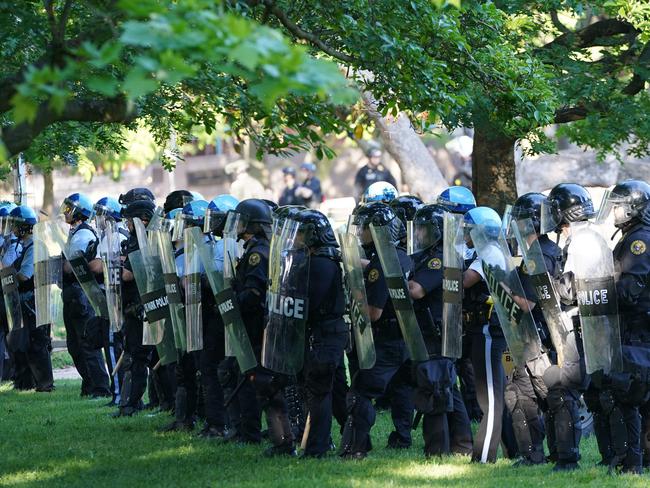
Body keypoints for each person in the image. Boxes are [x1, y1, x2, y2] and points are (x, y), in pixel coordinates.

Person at [506, 192, 585, 471]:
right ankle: (534, 455)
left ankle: (564, 458)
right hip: (530, 339)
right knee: (521, 395)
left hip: (547, 339)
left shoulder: (539, 255)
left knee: (556, 397)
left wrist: (502, 285)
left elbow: (526, 303)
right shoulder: (540, 252)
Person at [340, 203, 414, 459]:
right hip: (405, 337)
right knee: (401, 389)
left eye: (365, 227)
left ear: (378, 230)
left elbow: (373, 312)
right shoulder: (402, 255)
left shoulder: (381, 263)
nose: (360, 232)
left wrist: (356, 290)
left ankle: (356, 448)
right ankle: (403, 439)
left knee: (360, 392)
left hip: (385, 340)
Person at [593, 180, 650, 473]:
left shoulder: (639, 241)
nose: (613, 211)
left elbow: (629, 290)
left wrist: (596, 289)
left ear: (631, 208)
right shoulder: (632, 237)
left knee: (627, 394)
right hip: (634, 330)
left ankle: (631, 464)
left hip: (636, 331)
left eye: (618, 205)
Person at [408, 203, 473, 457]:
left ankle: (437, 451)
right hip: (436, 330)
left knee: (434, 386)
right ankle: (463, 445)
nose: (420, 234)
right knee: (447, 387)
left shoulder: (439, 258)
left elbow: (416, 290)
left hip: (436, 332)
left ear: (436, 231)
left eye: (424, 229)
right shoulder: (428, 255)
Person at [542, 183, 595, 471]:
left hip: (578, 324)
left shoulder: (580, 242)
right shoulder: (586, 237)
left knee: (565, 391)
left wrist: (545, 284)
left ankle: (568, 459)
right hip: (581, 325)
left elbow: (571, 289)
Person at [219, 199, 271, 444]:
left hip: (253, 325)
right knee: (240, 375)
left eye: (241, 220)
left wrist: (232, 302)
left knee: (248, 378)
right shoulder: (252, 249)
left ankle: (249, 434)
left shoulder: (257, 254)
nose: (236, 225)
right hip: (251, 325)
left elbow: (254, 293)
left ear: (251, 224)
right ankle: (243, 430)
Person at [461, 206, 508, 464]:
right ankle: (512, 448)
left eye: (469, 229)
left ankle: (484, 457)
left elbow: (466, 279)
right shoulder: (478, 250)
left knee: (489, 396)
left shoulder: (490, 251)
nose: (465, 234)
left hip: (490, 329)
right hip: (479, 329)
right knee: (487, 393)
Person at [60, 192, 111, 398]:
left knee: (86, 344)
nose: (65, 212)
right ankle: (89, 384)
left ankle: (100, 387)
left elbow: (71, 267)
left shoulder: (83, 235)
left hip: (81, 294)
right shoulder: (75, 232)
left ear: (79, 212)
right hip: (72, 294)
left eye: (69, 208)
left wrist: (61, 264)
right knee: (74, 345)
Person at [113, 197, 157, 417]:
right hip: (134, 305)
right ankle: (134, 402)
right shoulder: (135, 239)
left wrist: (114, 263)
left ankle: (131, 404)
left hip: (141, 306)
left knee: (137, 356)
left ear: (143, 220)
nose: (127, 225)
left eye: (130, 220)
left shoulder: (144, 239)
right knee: (137, 355)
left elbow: (129, 274)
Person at [7, 205, 54, 392]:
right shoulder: (24, 245)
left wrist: (7, 274)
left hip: (34, 301)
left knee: (37, 344)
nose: (13, 228)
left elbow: (25, 276)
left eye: (16, 225)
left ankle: (45, 385)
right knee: (23, 343)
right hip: (25, 301)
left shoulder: (35, 247)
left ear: (25, 227)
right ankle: (26, 383)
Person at [89, 196, 129, 406]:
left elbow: (95, 266)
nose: (98, 218)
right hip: (117, 296)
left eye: (101, 214)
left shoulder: (112, 236)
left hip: (114, 296)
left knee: (113, 345)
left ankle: (119, 395)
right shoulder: (117, 235)